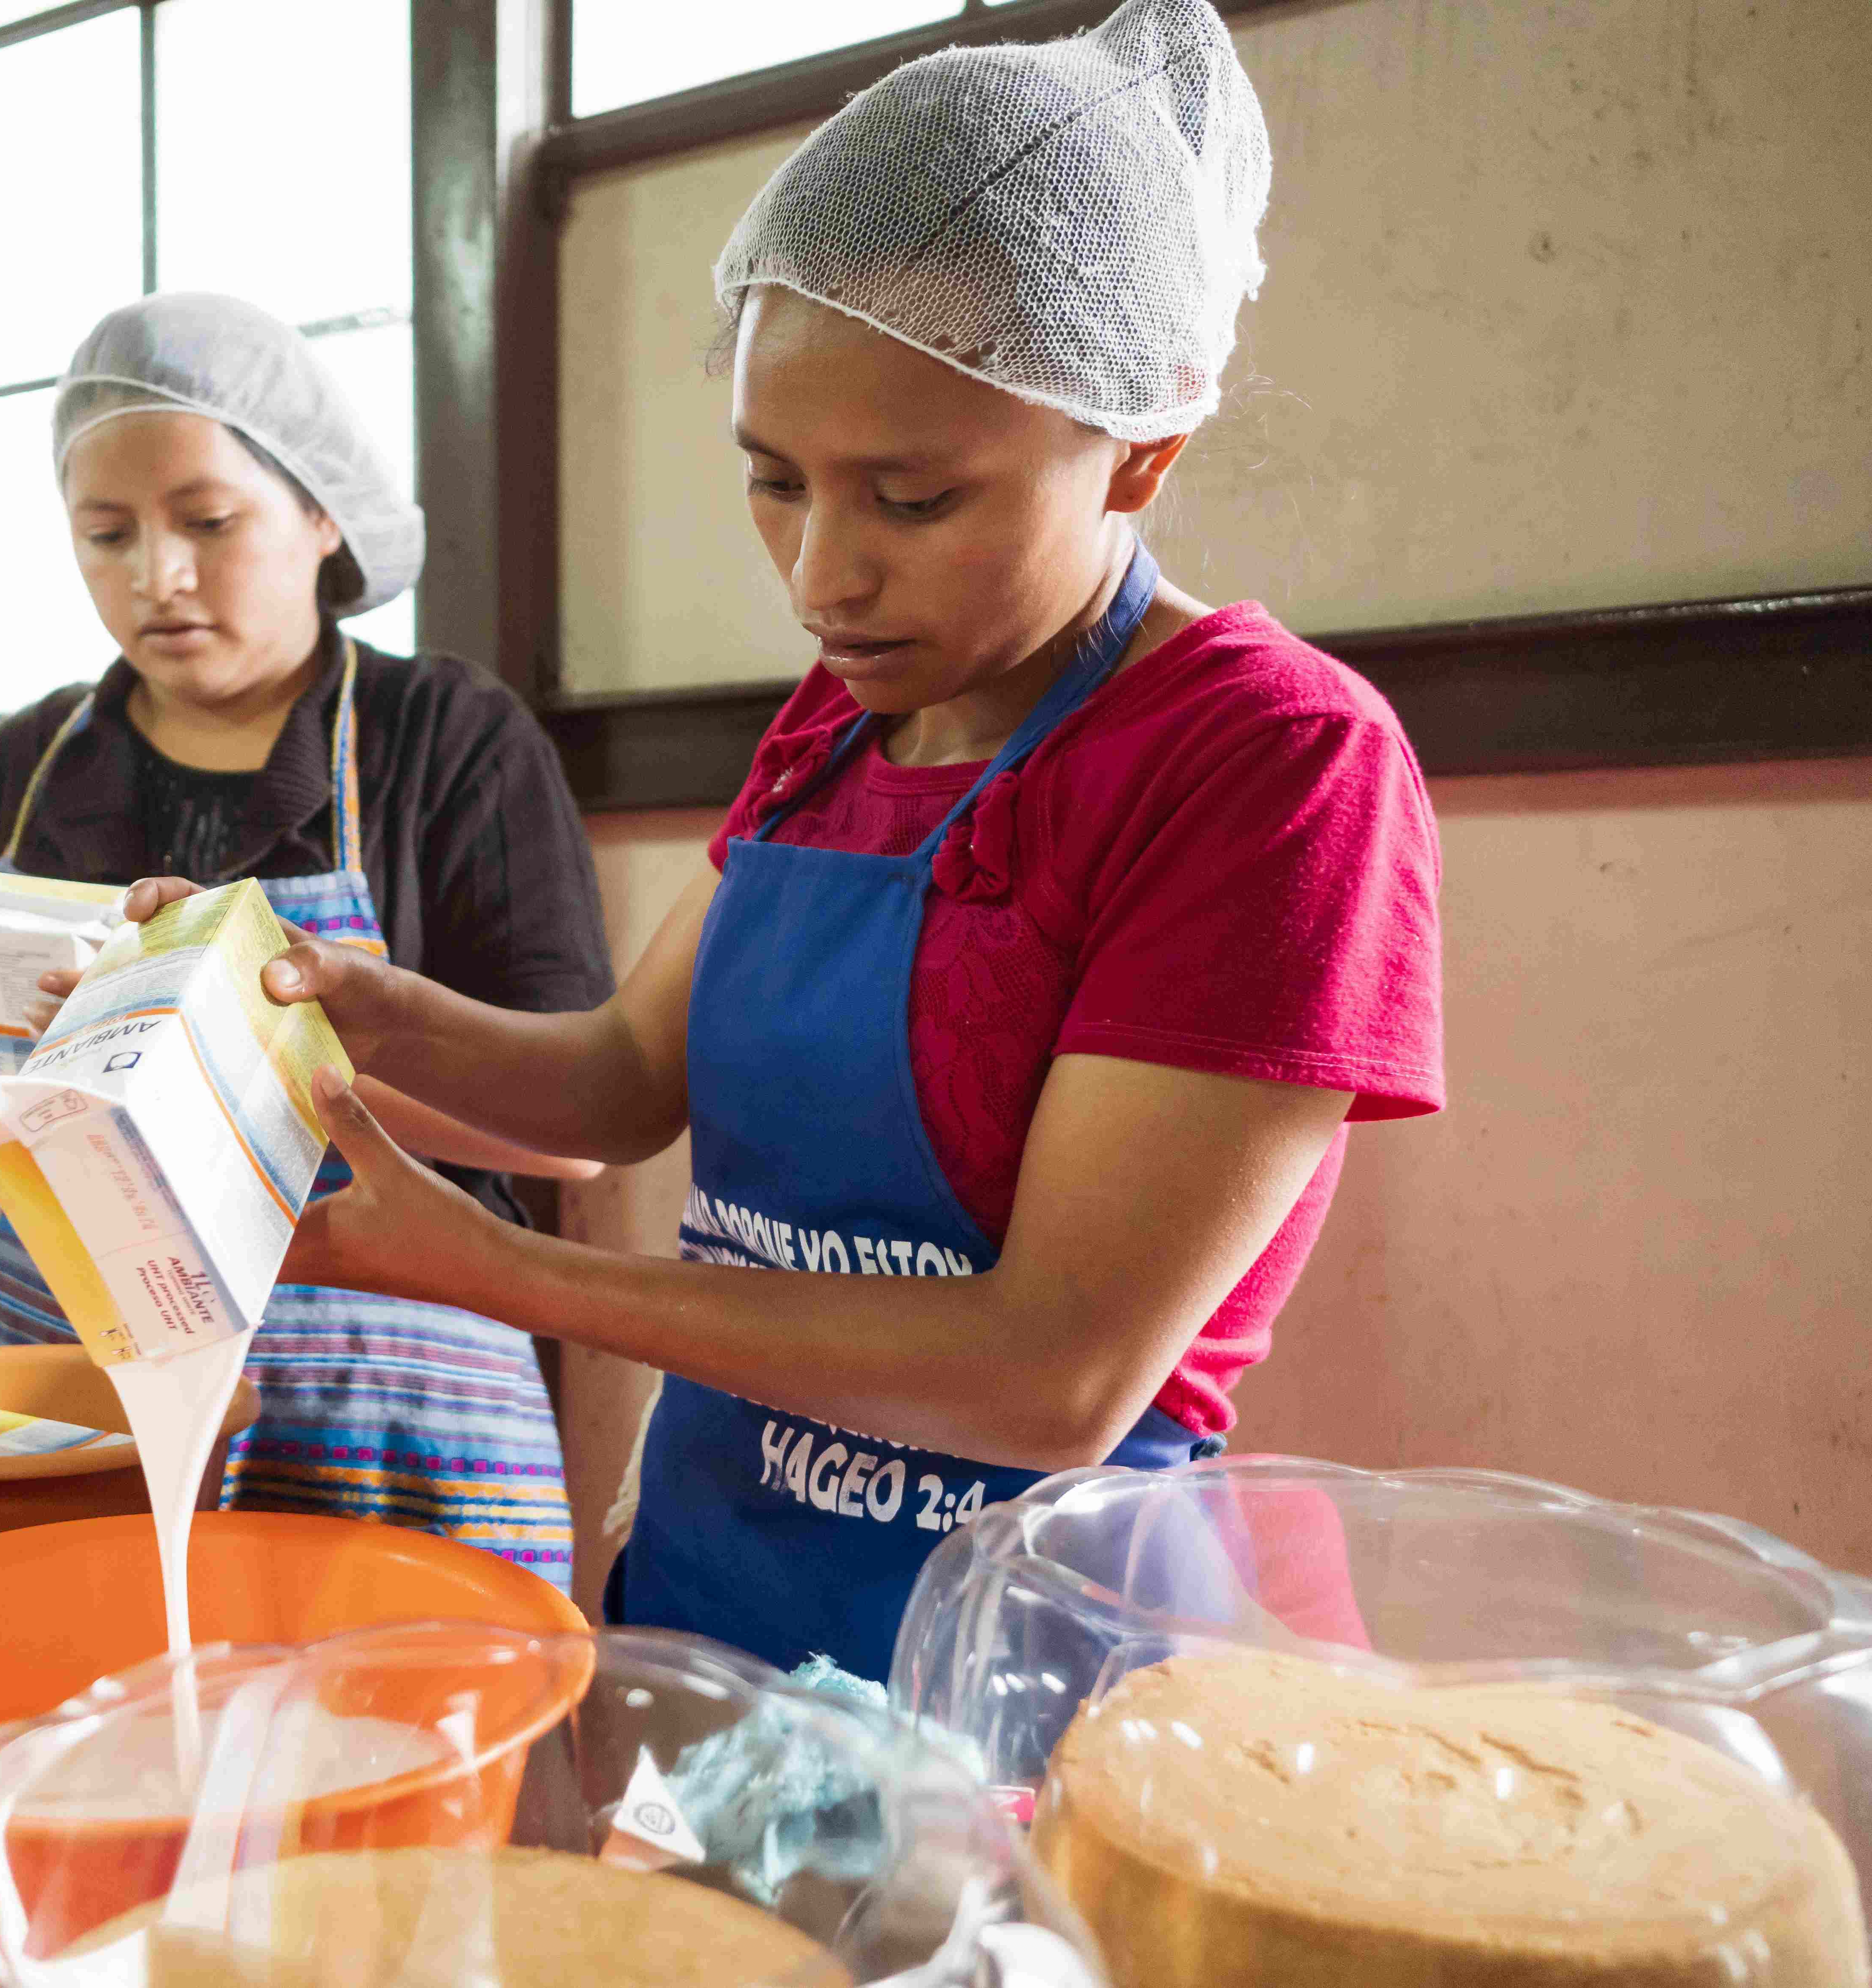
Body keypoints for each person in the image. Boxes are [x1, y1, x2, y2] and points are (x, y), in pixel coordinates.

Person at [98, 0, 1445, 1678]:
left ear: (1138, 451)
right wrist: (333, 1002)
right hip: (715, 1600)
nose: (821, 578)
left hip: (1017, 1667)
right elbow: (610, 1083)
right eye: (775, 480)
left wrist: (496, 1268)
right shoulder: (840, 720)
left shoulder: (1268, 762)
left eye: (913, 496)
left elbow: (1057, 1372)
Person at [0, 292, 613, 1586]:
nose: (159, 577)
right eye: (107, 535)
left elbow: (567, 1127)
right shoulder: (26, 773)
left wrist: (217, 1066)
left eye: (208, 522)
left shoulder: (452, 746)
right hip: (83, 1376)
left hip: (394, 1396)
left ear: (321, 515)